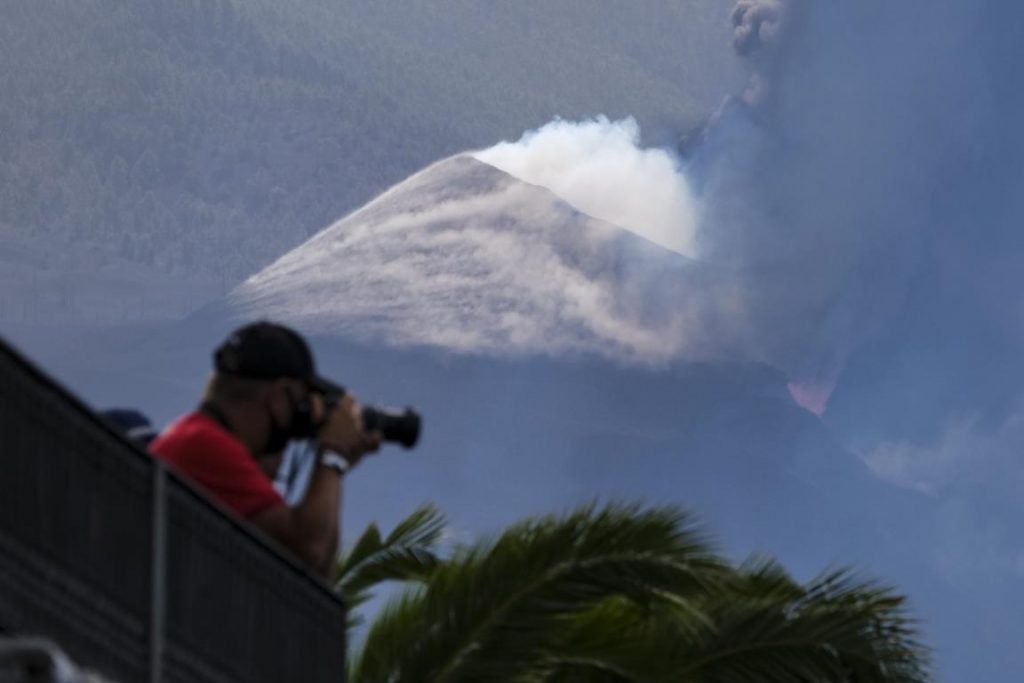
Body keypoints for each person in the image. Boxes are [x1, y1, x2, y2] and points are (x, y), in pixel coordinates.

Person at [151, 322, 381, 576]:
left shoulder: (195, 435)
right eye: (302, 401)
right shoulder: (205, 444)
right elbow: (308, 552)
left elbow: (317, 577)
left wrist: (338, 463)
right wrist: (332, 453)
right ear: (280, 397)